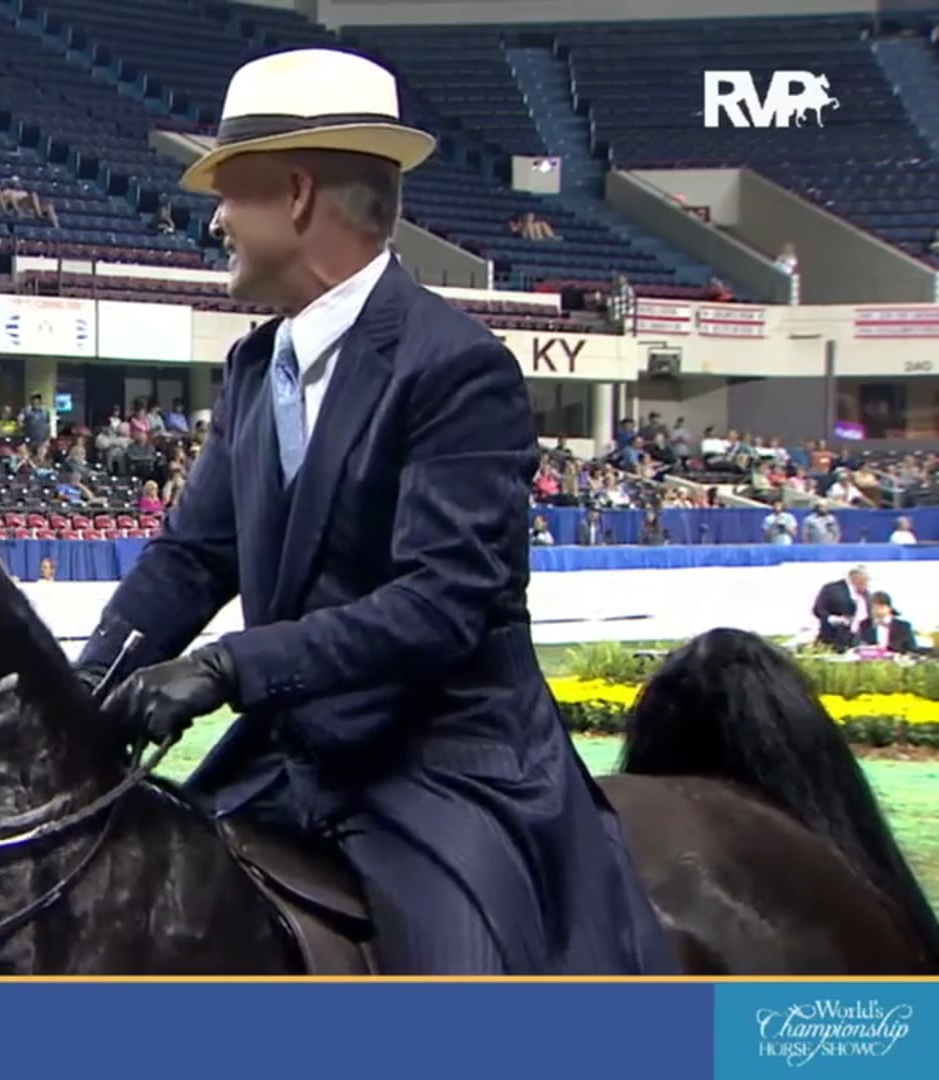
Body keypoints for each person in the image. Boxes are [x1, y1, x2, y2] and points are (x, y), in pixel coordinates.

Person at [72, 50, 672, 976]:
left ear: (300, 194)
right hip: (296, 754)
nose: (217, 217)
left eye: (232, 192)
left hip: (441, 763)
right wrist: (82, 694)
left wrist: (230, 665)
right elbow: (193, 557)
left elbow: (438, 605)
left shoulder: (456, 368)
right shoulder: (251, 365)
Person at [812, 565, 870, 650]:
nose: (867, 583)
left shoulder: (866, 595)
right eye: (865, 579)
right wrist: (832, 618)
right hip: (834, 638)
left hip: (858, 639)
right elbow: (818, 609)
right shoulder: (832, 589)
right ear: (854, 577)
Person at [855, 591, 923, 655]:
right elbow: (859, 647)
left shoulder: (903, 626)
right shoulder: (864, 625)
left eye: (881, 607)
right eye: (874, 608)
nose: (877, 611)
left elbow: (912, 650)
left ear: (889, 608)